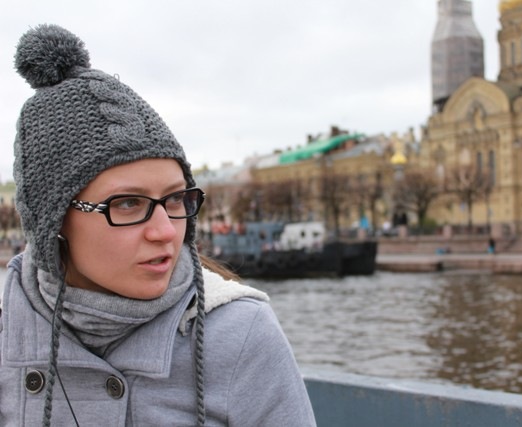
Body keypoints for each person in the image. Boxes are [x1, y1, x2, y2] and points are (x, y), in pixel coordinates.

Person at [0, 24, 316, 426]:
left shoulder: (242, 335)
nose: (166, 231)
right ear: (54, 221)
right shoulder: (6, 331)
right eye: (128, 204)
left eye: (175, 199)